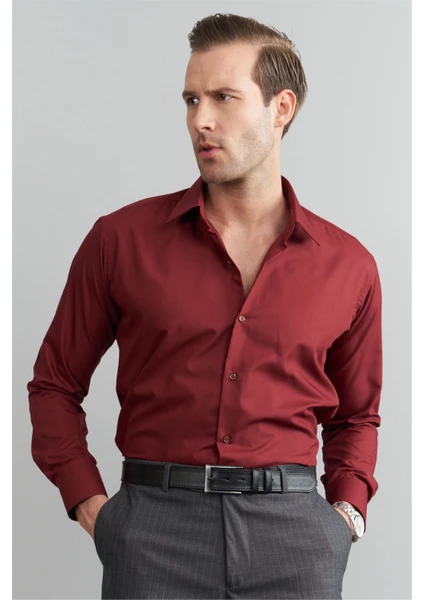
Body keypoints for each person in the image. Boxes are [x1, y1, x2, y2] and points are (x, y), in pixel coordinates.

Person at [27, 12, 383, 600]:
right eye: (191, 100)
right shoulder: (120, 241)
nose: (201, 120)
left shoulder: (349, 265)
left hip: (295, 539)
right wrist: (93, 506)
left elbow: (356, 415)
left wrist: (344, 517)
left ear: (281, 108)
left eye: (223, 97)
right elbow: (54, 385)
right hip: (153, 534)